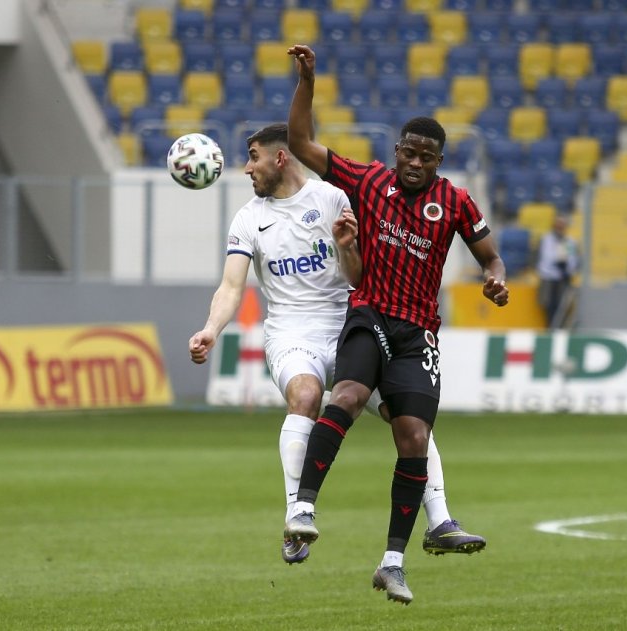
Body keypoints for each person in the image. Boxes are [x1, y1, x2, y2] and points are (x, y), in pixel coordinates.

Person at [189, 123, 486, 568]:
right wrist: (212, 328)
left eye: (253, 156)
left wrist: (350, 250)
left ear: (280, 157)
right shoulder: (249, 218)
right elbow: (232, 286)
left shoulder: (334, 198)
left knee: (408, 418)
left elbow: (361, 272)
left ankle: (440, 519)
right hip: (291, 334)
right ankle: (297, 517)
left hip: (352, 324)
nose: (247, 167)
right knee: (306, 396)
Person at [283, 45, 510, 605]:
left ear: (439, 162)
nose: (416, 163)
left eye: (428, 157)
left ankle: (392, 562)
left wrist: (495, 277)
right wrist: (307, 82)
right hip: (370, 316)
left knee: (414, 437)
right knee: (349, 394)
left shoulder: (455, 202)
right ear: (397, 151)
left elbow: (490, 256)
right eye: (410, 152)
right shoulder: (366, 181)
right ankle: (304, 507)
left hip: (418, 334)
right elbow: (300, 143)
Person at [536, 214, 579, 329]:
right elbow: (545, 258)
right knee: (548, 304)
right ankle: (550, 326)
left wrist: (567, 268)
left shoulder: (569, 242)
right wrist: (557, 262)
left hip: (562, 278)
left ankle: (560, 327)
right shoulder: (546, 240)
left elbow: (573, 259)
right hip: (548, 277)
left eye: (562, 225)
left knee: (562, 305)